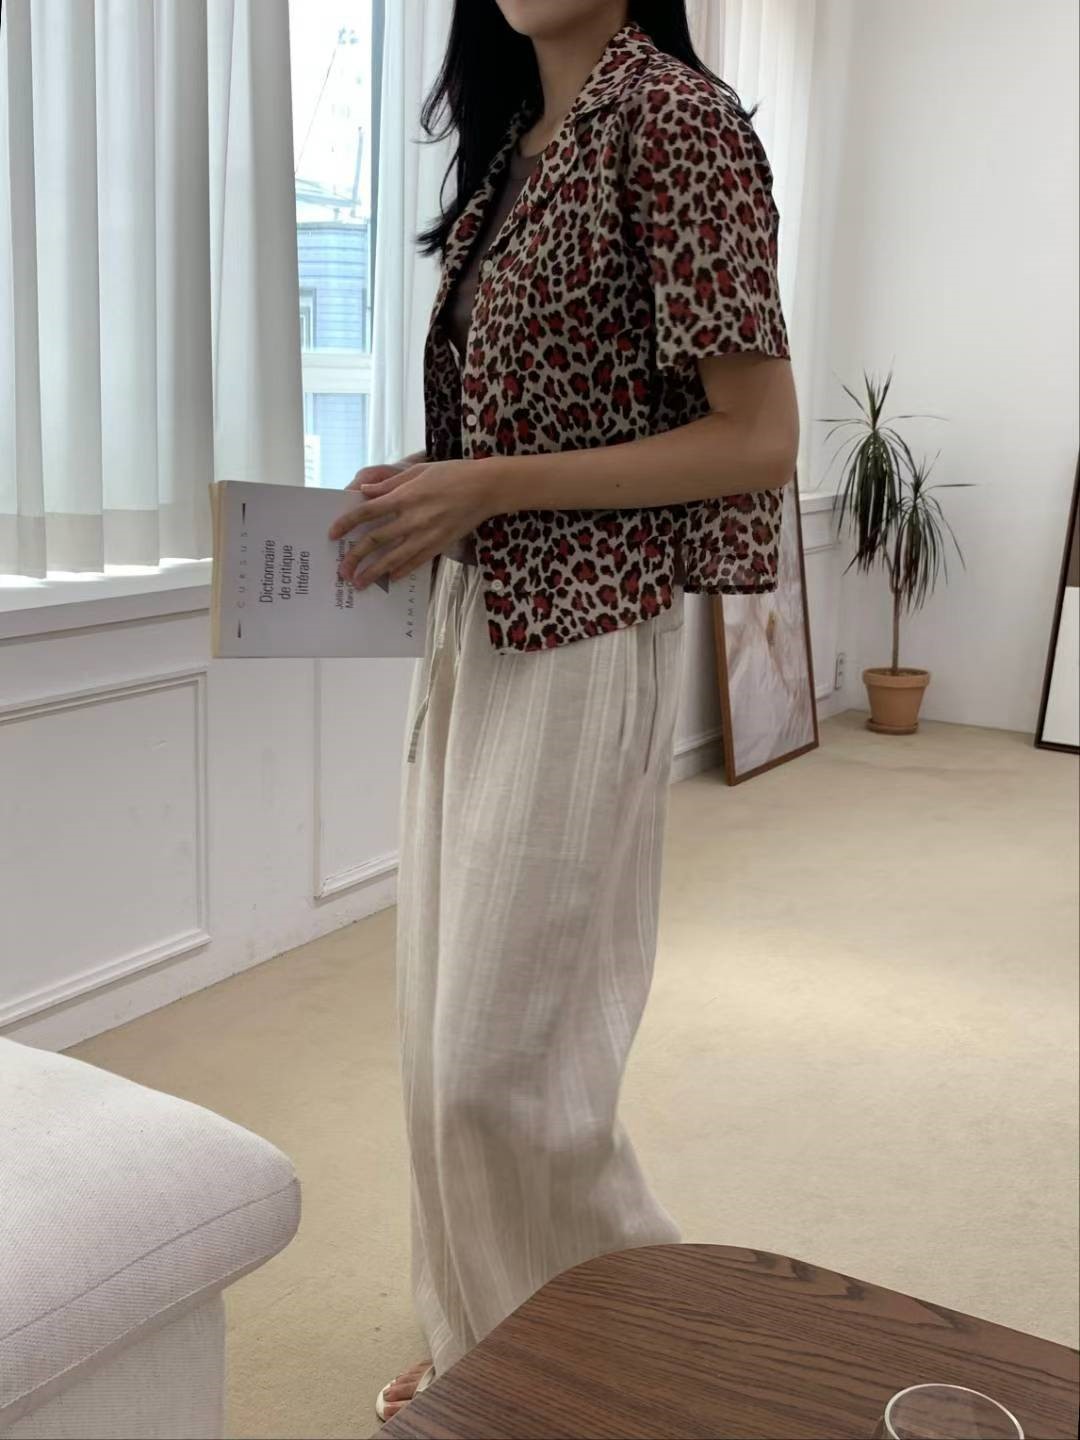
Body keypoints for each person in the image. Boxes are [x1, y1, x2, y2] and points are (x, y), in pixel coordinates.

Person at [329, 0, 798, 1420]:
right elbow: (538, 413)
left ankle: (618, 1351)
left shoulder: (679, 122)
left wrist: (494, 483)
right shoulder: (517, 148)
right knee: (436, 1040)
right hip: (475, 620)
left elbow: (759, 437)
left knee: (504, 1066)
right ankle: (486, 1331)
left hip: (585, 628)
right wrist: (438, 484)